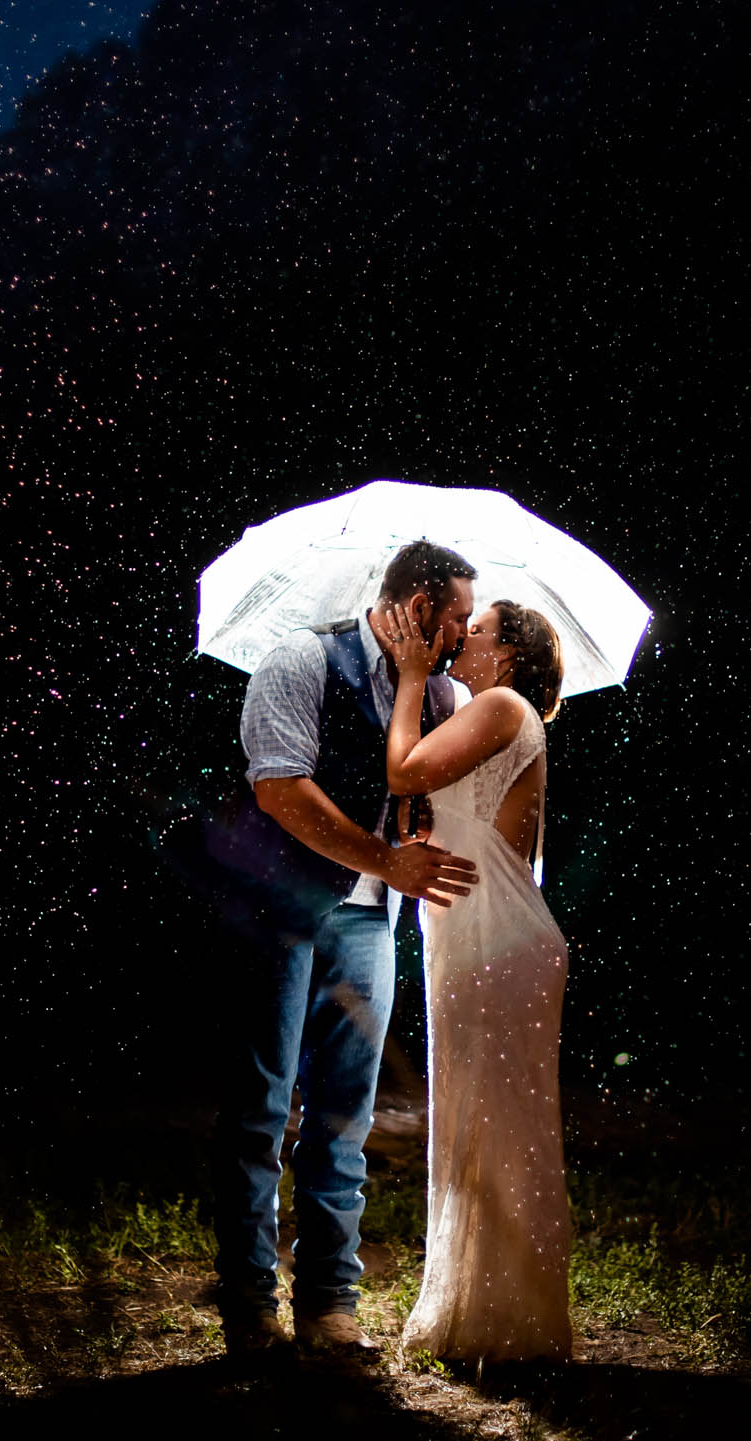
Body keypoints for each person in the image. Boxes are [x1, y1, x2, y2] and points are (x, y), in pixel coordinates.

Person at [210, 539, 483, 1356]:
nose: (464, 634)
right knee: (260, 1111)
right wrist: (383, 858)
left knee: (344, 1117)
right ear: (417, 606)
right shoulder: (299, 659)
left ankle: (330, 1304)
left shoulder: (436, 691)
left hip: (370, 920)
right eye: (458, 616)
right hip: (278, 911)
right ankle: (249, 1304)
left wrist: (421, 828)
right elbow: (280, 787)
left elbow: (427, 786)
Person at [379, 597, 572, 1365]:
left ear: (507, 654)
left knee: (496, 1127)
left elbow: (402, 767)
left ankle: (507, 1326)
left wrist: (411, 674)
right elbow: (452, 816)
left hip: (495, 943)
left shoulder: (500, 702)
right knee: (480, 1121)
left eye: (480, 629)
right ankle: (485, 1315)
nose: (465, 637)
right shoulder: (492, 713)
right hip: (481, 937)